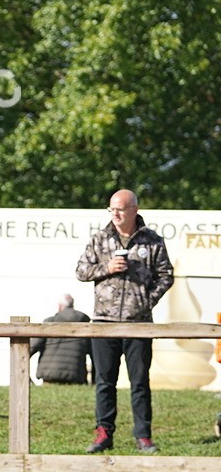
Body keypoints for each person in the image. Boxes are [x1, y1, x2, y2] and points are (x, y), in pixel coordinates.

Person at [75, 189, 173, 454]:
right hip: (104, 322)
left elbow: (166, 276)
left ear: (134, 210)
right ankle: (103, 433)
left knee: (140, 382)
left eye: (120, 209)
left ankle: (143, 435)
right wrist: (106, 268)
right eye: (111, 209)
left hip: (138, 323)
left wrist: (145, 301)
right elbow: (81, 271)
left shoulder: (152, 241)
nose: (115, 214)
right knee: (104, 382)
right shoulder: (100, 239)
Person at [31, 294, 91, 384]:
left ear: (60, 306)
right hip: (75, 377)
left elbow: (31, 348)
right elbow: (94, 354)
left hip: (50, 375)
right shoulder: (84, 325)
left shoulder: (50, 323)